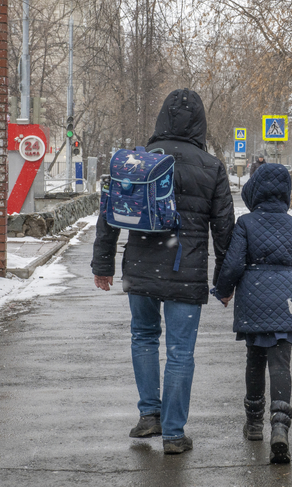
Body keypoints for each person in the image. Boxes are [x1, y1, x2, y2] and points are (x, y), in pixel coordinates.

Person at [91, 88, 234, 454]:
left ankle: (148, 415)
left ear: (162, 119)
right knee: (180, 352)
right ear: (200, 123)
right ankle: (173, 433)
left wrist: (103, 264)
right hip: (186, 269)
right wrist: (225, 281)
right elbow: (224, 230)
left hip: (139, 266)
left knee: (143, 337)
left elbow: (108, 215)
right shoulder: (212, 167)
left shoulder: (139, 161)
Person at [213, 163, 292, 464]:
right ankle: (280, 428)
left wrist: (223, 289)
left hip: (253, 297)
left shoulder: (246, 223)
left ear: (254, 190)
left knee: (255, 361)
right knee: (281, 364)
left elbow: (232, 264)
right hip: (285, 300)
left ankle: (254, 423)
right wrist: (288, 282)